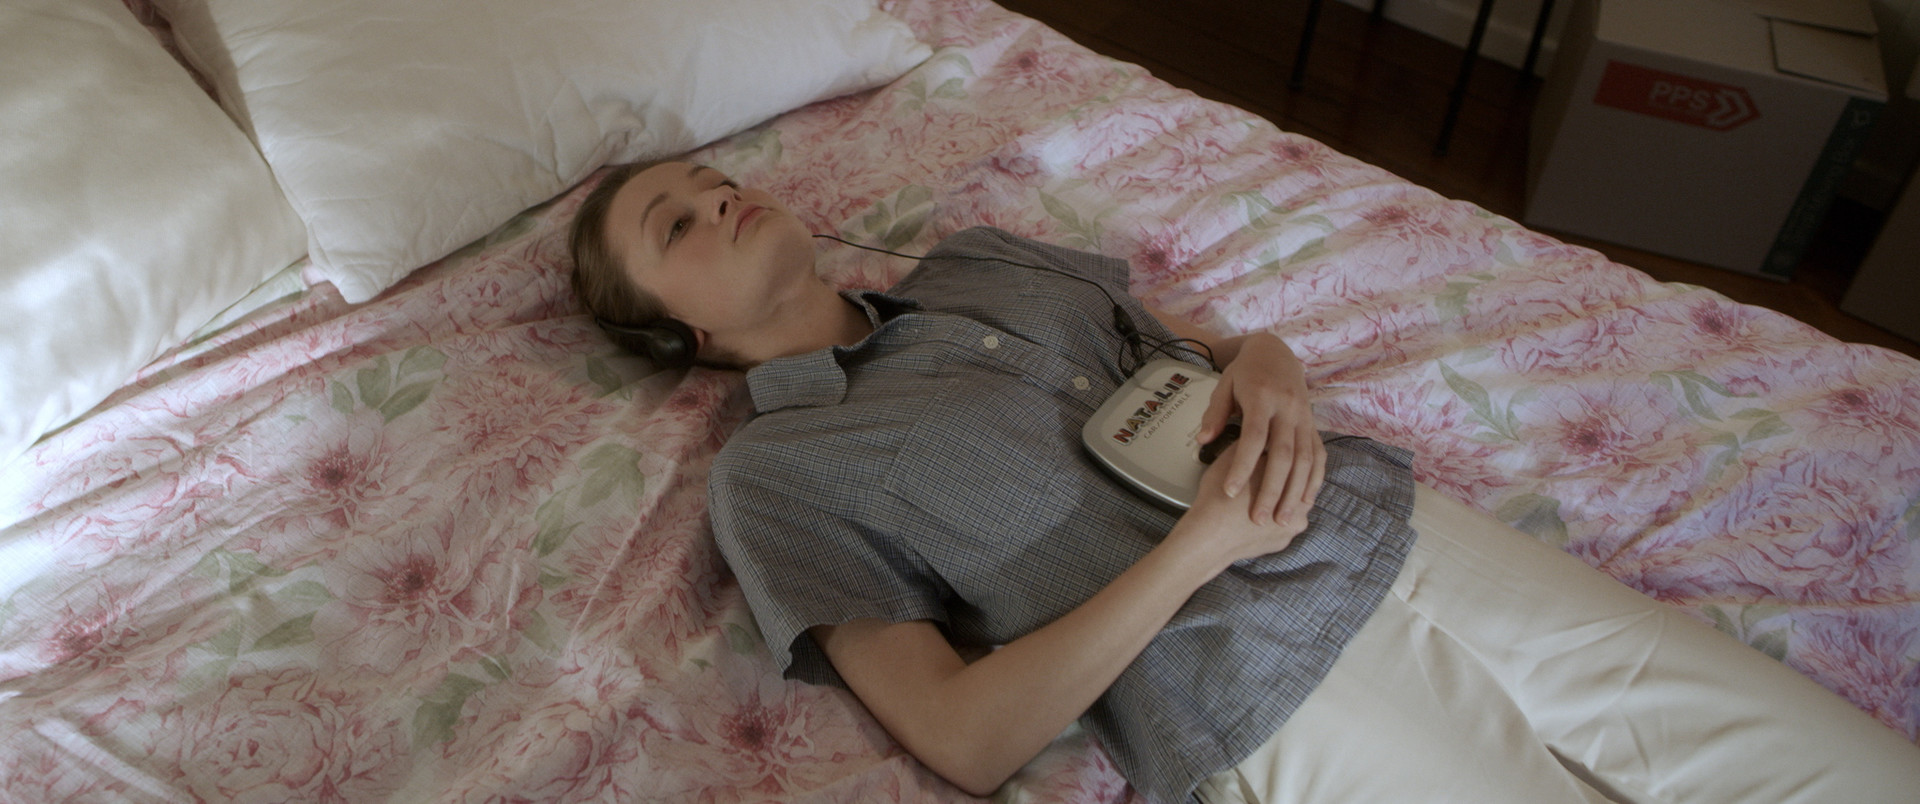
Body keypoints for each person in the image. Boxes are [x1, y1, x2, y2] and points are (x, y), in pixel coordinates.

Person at [569, 160, 1920, 804]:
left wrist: (1268, 362)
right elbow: (964, 743)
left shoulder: (977, 258)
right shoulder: (775, 474)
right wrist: (1198, 550)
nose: (719, 198)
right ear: (682, 336)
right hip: (1255, 686)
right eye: (676, 224)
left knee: (1833, 767)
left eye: (710, 179)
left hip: (1386, 528)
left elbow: (1201, 348)